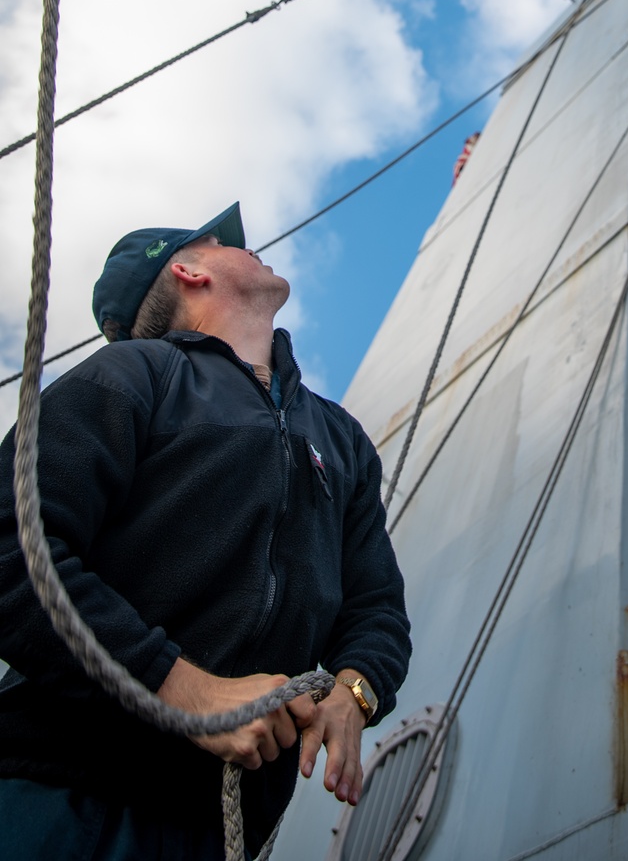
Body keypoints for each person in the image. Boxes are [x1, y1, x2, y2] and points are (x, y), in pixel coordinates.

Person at [0, 202, 410, 859]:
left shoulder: (341, 439)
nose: (251, 249)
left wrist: (354, 692)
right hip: (57, 800)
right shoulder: (130, 377)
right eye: (223, 243)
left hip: (218, 836)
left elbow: (377, 609)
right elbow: (15, 549)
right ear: (188, 270)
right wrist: (190, 690)